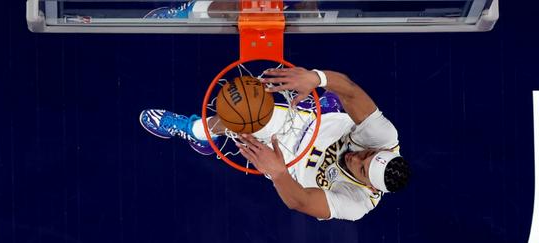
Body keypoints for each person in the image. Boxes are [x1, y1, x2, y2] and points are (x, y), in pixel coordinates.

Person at [139, 67, 410, 221]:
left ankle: (195, 131)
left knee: (244, 118)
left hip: (290, 161)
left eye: (361, 169)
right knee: (251, 109)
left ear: (371, 186)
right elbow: (350, 90)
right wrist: (315, 78)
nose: (356, 158)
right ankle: (203, 134)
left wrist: (279, 173)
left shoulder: (358, 203)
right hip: (310, 125)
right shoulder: (385, 137)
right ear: (382, 150)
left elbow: (301, 201)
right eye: (367, 154)